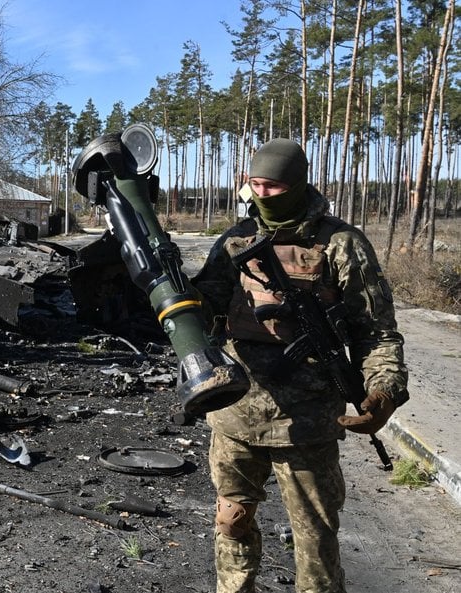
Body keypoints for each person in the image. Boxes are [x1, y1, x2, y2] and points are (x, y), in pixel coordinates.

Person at [191, 138, 409, 593]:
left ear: (297, 184)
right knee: (231, 522)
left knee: (315, 543)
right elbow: (201, 311)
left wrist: (383, 390)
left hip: (308, 420)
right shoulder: (234, 241)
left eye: (274, 187)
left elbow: (376, 331)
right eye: (255, 185)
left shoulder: (341, 244)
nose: (263, 195)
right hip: (236, 412)